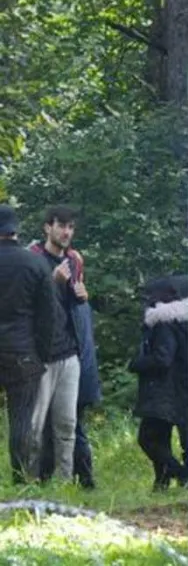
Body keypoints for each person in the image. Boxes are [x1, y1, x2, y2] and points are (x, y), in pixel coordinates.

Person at [0, 204, 61, 485]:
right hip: (22, 352)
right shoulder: (34, 263)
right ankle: (21, 479)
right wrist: (43, 355)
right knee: (22, 418)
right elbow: (49, 316)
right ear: (15, 230)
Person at [27, 205, 85, 486]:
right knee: (34, 425)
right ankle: (29, 481)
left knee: (67, 425)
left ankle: (64, 484)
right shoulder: (33, 259)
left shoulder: (74, 260)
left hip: (69, 353)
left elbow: (69, 306)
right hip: (41, 355)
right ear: (47, 227)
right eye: (61, 225)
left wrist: (82, 295)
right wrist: (53, 282)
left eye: (71, 227)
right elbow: (26, 303)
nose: (66, 232)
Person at [128, 274, 188, 491]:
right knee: (163, 437)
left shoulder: (163, 323)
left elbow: (163, 358)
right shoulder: (184, 321)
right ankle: (162, 482)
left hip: (163, 390)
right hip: (180, 388)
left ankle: (181, 474)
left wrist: (137, 363)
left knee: (149, 438)